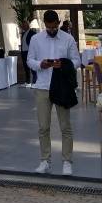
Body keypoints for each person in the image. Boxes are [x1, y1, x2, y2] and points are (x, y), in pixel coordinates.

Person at [27, 10, 81, 176]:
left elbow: (77, 61)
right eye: (49, 27)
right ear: (44, 24)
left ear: (58, 23)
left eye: (54, 27)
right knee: (43, 127)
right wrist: (40, 64)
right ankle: (45, 161)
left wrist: (63, 64)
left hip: (62, 86)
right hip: (42, 86)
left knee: (65, 126)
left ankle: (67, 161)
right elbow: (29, 60)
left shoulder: (68, 38)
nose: (52, 30)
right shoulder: (36, 39)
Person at [19, 20, 38, 87]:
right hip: (23, 52)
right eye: (22, 25)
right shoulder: (23, 33)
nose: (23, 27)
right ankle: (28, 82)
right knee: (26, 67)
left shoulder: (32, 33)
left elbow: (35, 43)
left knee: (32, 67)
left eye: (24, 25)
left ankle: (35, 82)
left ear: (27, 25)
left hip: (30, 52)